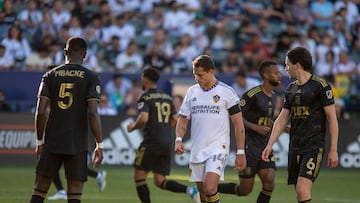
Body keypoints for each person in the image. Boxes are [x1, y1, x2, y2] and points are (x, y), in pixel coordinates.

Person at [30, 36, 104, 203]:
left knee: (39, 190)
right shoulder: (91, 77)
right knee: (75, 193)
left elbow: (41, 111)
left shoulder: (49, 75)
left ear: (65, 52)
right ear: (85, 55)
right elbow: (93, 112)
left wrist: (40, 141)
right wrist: (99, 144)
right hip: (77, 143)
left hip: (52, 141)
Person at [261, 47, 339, 203]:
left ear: (297, 65)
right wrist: (270, 145)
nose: (285, 69)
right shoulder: (291, 89)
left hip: (313, 146)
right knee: (299, 193)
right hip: (295, 146)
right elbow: (282, 119)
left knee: (302, 190)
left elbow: (332, 118)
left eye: (287, 64)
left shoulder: (320, 86)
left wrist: (334, 149)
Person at [175, 55, 247, 203]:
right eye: (195, 74)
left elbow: (238, 124)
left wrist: (240, 152)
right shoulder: (192, 92)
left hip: (218, 147)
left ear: (211, 72)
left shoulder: (227, 92)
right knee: (203, 194)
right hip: (197, 149)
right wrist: (178, 139)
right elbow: (182, 120)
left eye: (200, 75)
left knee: (209, 187)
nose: (197, 78)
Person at [126, 67, 200, 203]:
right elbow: (175, 119)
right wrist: (164, 129)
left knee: (139, 176)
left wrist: (132, 127)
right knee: (159, 180)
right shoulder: (167, 97)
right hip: (166, 142)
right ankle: (190, 191)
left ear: (146, 80)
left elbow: (143, 119)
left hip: (151, 142)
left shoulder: (145, 96)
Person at [217, 60, 282, 202]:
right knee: (245, 190)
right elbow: (236, 117)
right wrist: (255, 127)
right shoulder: (252, 94)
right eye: (276, 72)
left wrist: (283, 127)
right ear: (265, 75)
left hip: (265, 145)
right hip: (249, 145)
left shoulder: (274, 96)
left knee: (270, 182)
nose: (279, 75)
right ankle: (209, 187)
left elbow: (266, 121)